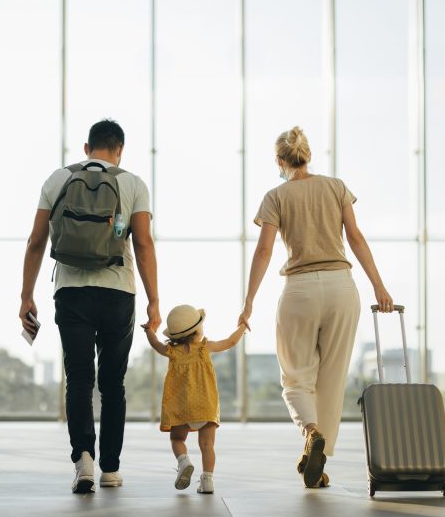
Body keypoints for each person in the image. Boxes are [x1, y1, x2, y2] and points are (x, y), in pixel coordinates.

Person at [239, 127, 394, 489]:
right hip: (342, 288)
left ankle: (311, 433)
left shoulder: (275, 196)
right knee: (331, 380)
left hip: (300, 291)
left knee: (296, 378)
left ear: (280, 161)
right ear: (307, 156)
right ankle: (317, 462)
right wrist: (379, 286)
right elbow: (355, 237)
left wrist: (248, 301)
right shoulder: (336, 186)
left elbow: (264, 251)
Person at [19, 119, 160, 494]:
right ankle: (111, 468)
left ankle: (83, 458)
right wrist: (154, 302)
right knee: (113, 383)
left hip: (71, 292)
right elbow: (143, 245)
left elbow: (36, 241)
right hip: (118, 293)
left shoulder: (58, 179)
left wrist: (25, 295)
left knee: (79, 379)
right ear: (120, 150)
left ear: (86, 148)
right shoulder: (132, 183)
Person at [143, 304, 247, 495]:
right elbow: (230, 342)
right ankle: (207, 481)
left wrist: (149, 331)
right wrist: (242, 326)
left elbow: (155, 344)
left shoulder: (172, 351)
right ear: (198, 330)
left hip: (181, 407)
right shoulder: (205, 348)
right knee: (207, 446)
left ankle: (184, 461)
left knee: (177, 439)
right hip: (205, 406)